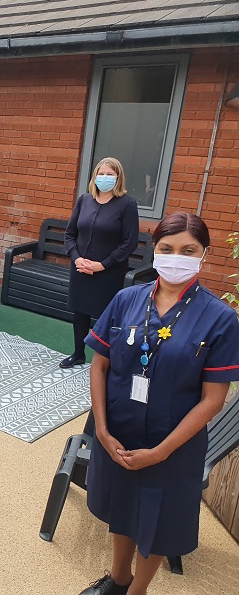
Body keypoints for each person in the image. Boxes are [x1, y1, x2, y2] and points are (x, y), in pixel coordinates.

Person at [78, 212, 239, 595]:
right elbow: (99, 366)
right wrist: (101, 428)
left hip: (173, 443)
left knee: (156, 519)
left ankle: (137, 592)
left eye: (188, 250)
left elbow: (213, 399)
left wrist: (161, 451)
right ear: (154, 251)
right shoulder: (126, 300)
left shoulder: (221, 319)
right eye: (167, 249)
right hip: (119, 429)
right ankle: (118, 580)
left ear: (204, 254)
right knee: (122, 506)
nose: (176, 257)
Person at [62, 157, 139, 368]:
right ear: (95, 176)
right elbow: (70, 235)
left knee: (108, 317)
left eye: (110, 174)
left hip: (109, 271)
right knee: (80, 312)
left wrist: (102, 265)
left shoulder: (127, 205)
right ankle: (78, 353)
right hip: (80, 268)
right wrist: (77, 259)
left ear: (118, 178)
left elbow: (129, 242)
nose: (104, 178)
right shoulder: (84, 200)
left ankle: (107, 361)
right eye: (101, 174)